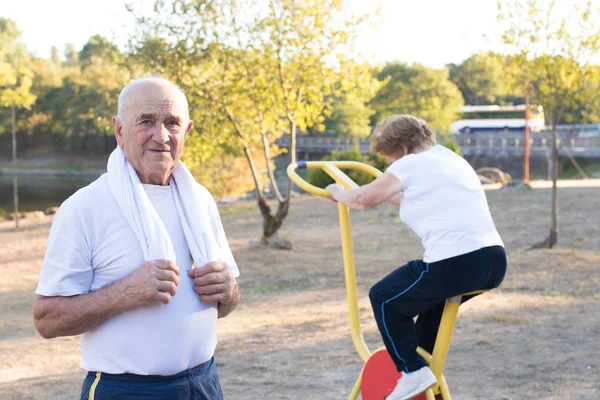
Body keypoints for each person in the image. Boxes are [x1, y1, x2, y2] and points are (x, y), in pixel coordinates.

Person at [32, 76, 241, 400]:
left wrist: (229, 290)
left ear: (186, 131)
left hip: (203, 384)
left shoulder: (200, 200)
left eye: (172, 123)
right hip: (125, 390)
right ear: (119, 130)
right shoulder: (84, 207)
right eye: (146, 121)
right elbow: (46, 319)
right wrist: (124, 293)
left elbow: (225, 304)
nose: (161, 136)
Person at [326, 114, 506, 400]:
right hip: (492, 261)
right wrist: (366, 192)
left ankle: (413, 372)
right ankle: (425, 372)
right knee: (431, 313)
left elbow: (364, 200)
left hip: (454, 262)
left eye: (390, 158)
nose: (390, 166)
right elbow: (404, 196)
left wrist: (338, 193)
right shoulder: (447, 158)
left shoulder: (410, 163)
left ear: (404, 148)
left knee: (384, 298)